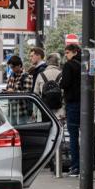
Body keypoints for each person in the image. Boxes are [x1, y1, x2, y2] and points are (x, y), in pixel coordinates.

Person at [61, 44, 81, 176]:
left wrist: (61, 83)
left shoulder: (69, 65)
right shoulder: (83, 64)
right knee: (88, 135)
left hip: (73, 102)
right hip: (85, 103)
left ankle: (75, 166)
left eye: (67, 52)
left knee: (73, 136)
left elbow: (65, 83)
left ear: (74, 52)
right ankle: (92, 163)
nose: (66, 55)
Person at [34, 52, 65, 119]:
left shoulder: (41, 75)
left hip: (44, 110)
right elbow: (65, 93)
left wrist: (34, 112)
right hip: (59, 111)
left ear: (47, 63)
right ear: (58, 63)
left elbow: (36, 93)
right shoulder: (62, 75)